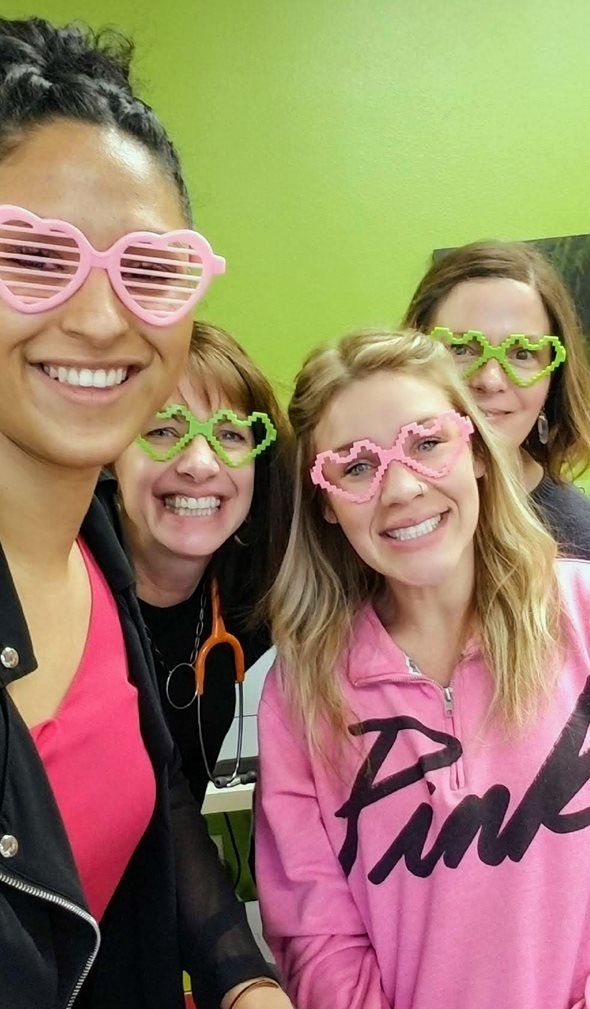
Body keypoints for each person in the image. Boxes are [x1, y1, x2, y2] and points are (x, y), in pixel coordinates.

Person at [0, 17, 291, 1009]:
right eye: (32, 254)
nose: (98, 315)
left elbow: (152, 798)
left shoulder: (92, 558)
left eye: (150, 269)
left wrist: (245, 980)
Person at [255, 328, 590, 1009]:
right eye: (355, 466)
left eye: (428, 442)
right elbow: (315, 935)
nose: (402, 485)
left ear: (477, 454)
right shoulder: (300, 694)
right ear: (325, 504)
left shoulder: (583, 611)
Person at [111, 320, 292, 807]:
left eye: (230, 435)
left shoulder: (250, 605)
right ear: (110, 454)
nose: (200, 462)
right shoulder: (59, 603)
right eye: (164, 429)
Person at [403, 240, 590, 558]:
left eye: (522, 353)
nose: (489, 380)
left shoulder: (579, 543)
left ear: (551, 379)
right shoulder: (371, 513)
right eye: (461, 348)